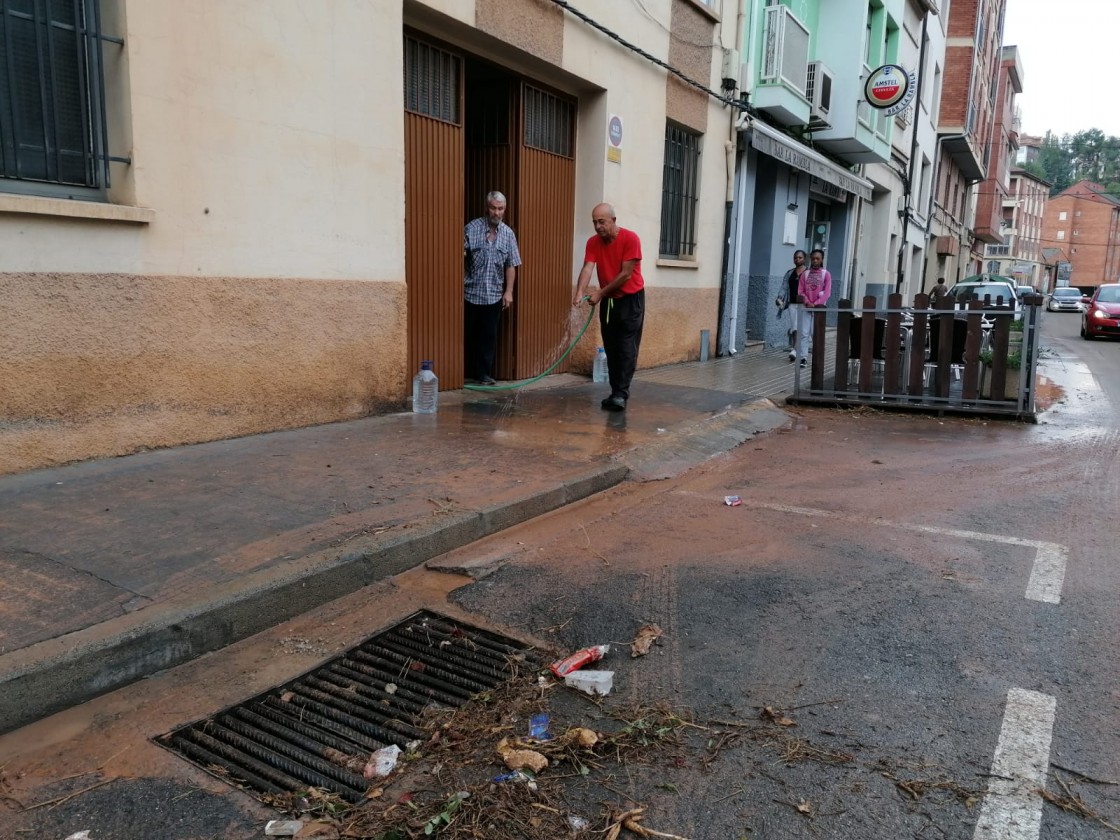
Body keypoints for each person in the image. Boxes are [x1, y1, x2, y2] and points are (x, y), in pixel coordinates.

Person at [572, 203, 645, 411]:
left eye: (601, 222)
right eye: (594, 222)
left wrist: (600, 293)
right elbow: (587, 267)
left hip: (631, 300)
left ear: (613, 220)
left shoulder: (631, 239)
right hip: (610, 301)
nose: (597, 226)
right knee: (611, 346)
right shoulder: (593, 242)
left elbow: (626, 274)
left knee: (626, 347)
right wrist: (579, 291)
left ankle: (621, 394)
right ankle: (615, 392)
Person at [463, 191, 521, 385]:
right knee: (466, 334)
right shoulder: (471, 228)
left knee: (488, 338)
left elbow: (511, 265)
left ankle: (483, 374)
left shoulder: (508, 235)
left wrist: (509, 291)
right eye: (493, 208)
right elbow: (460, 256)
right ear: (487, 208)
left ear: (505, 210)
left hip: (494, 295)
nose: (497, 213)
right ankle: (460, 372)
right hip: (470, 293)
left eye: (500, 209)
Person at [794, 249, 832, 368]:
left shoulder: (826, 274)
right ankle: (803, 358)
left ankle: (818, 358)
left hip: (818, 309)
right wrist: (807, 302)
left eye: (818, 259)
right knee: (804, 333)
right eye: (813, 258)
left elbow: (827, 292)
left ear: (821, 260)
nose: (815, 261)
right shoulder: (805, 274)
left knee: (815, 333)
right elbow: (801, 290)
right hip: (806, 308)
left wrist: (816, 304)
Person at [778, 250, 807, 361]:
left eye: (800, 257)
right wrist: (779, 298)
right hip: (792, 304)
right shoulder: (790, 273)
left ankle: (795, 350)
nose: (797, 259)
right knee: (795, 327)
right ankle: (796, 349)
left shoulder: (808, 273)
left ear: (804, 259)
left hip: (804, 304)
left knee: (798, 327)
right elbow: (784, 287)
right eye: (796, 257)